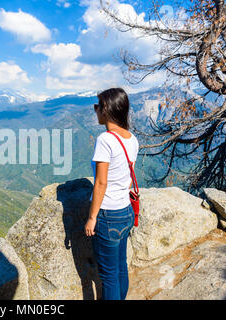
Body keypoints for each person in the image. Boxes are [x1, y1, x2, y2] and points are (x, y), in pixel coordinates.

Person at [84, 87, 139, 300]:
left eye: (97, 106)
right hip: (125, 211)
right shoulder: (131, 139)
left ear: (106, 110)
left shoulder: (106, 140)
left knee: (108, 276)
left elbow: (100, 183)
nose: (95, 110)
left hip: (108, 215)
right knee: (120, 267)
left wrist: (91, 217)